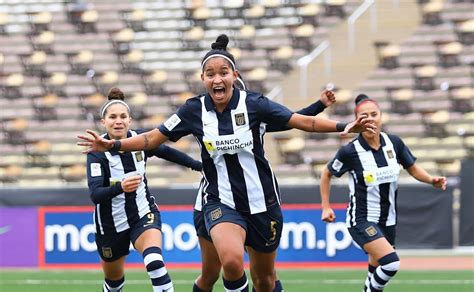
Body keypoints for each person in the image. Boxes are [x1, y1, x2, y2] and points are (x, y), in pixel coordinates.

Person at [78, 34, 376, 292]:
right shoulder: (193, 110)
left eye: (223, 72)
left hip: (263, 201)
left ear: (234, 75)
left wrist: (342, 126)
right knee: (230, 263)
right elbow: (152, 139)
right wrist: (113, 144)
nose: (217, 79)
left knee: (265, 280)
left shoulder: (255, 105)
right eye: (210, 73)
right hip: (220, 201)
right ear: (203, 79)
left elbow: (301, 121)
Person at [192, 84, 337, 292]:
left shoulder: (252, 115)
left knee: (265, 277)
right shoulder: (201, 117)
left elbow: (292, 120)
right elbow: (162, 137)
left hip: (257, 201)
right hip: (214, 203)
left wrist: (320, 105)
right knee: (212, 273)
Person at [319, 94, 447, 292]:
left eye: (374, 114)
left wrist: (431, 180)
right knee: (391, 263)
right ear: (357, 120)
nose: (370, 118)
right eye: (364, 115)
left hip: (388, 220)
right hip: (362, 219)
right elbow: (327, 173)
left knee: (376, 268)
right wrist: (326, 207)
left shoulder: (393, 143)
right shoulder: (350, 151)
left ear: (381, 116)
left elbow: (412, 168)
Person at [86, 88, 202, 292]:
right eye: (112, 117)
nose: (118, 121)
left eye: (123, 116)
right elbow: (96, 195)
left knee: (155, 262)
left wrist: (198, 165)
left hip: (143, 214)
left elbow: (166, 151)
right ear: (103, 122)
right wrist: (120, 187)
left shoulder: (139, 140)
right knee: (114, 283)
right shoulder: (97, 154)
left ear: (129, 120)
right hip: (110, 225)